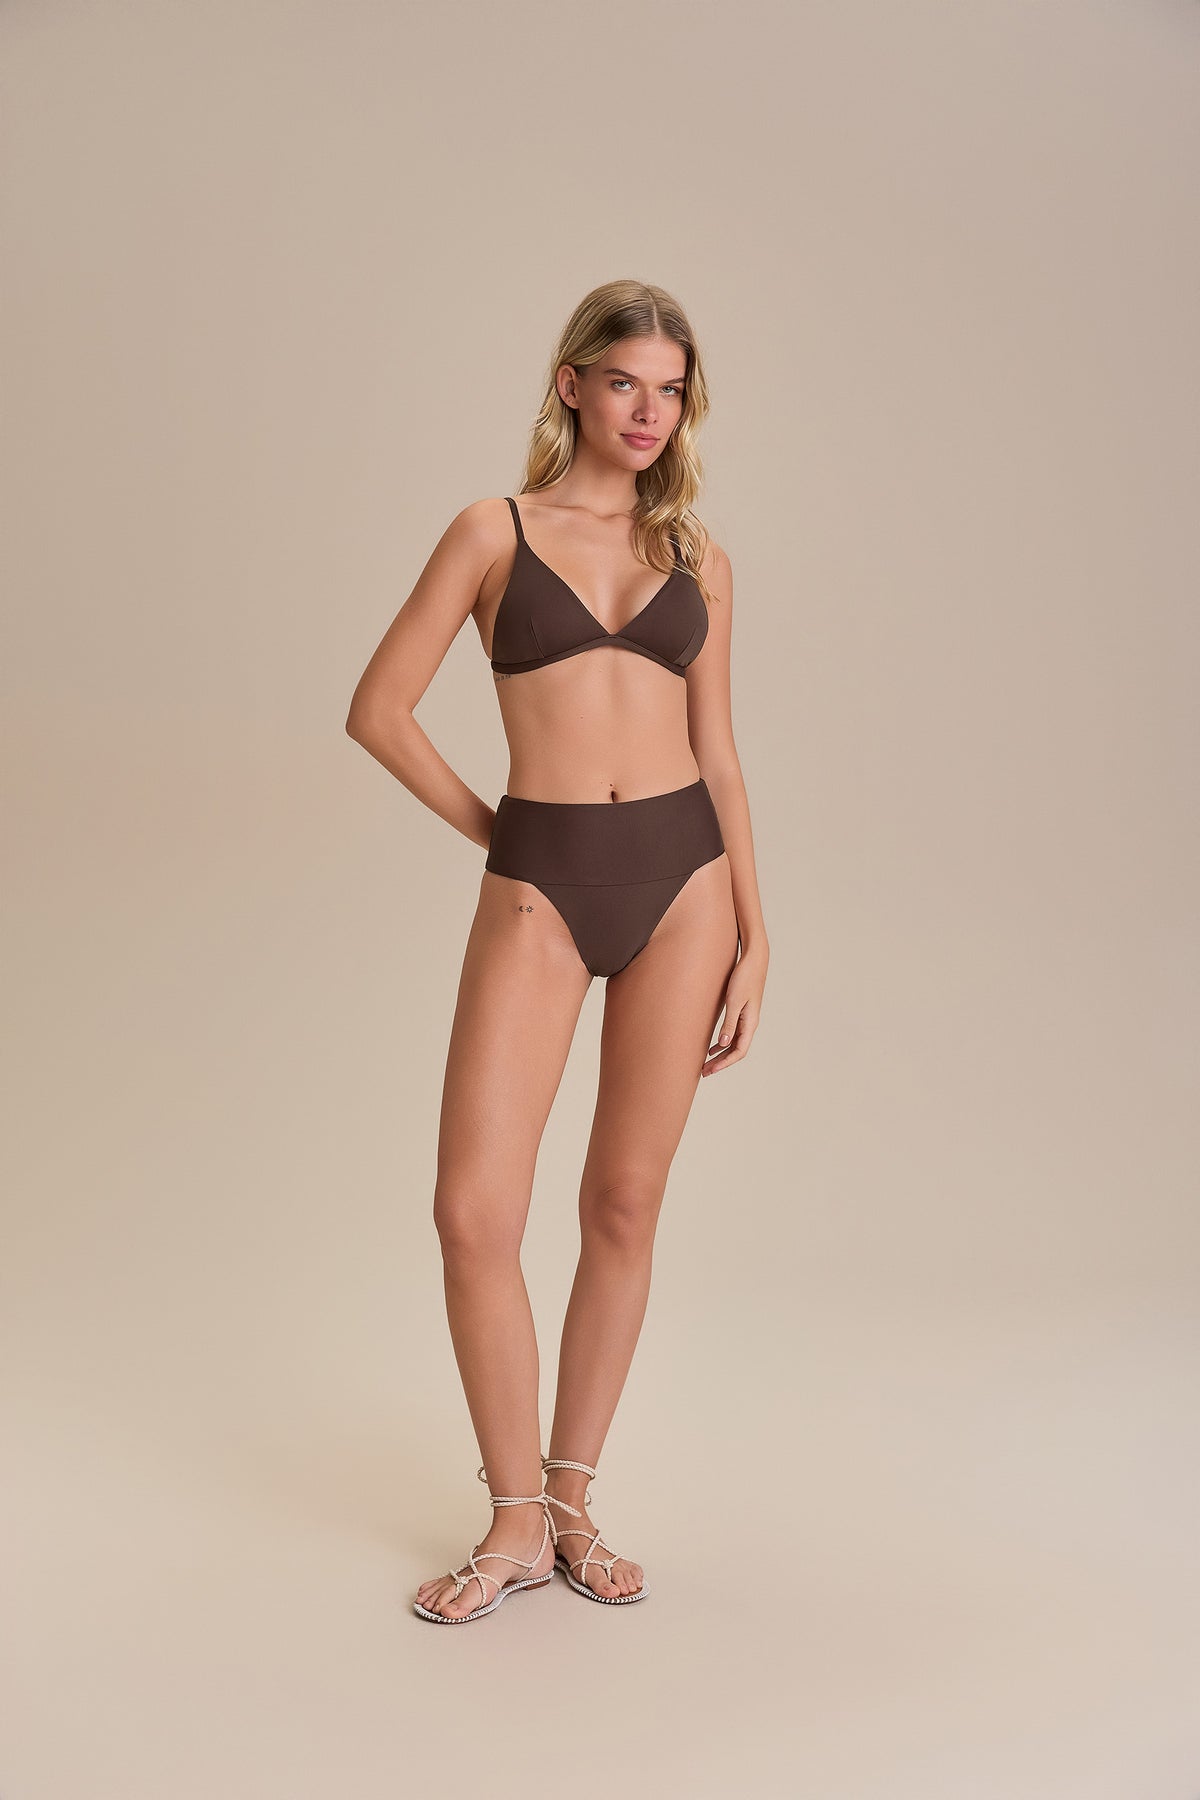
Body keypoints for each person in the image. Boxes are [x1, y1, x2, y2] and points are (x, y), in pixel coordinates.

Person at [345, 279, 769, 1623]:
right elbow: (379, 709)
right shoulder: (494, 531)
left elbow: (718, 753)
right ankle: (514, 1518)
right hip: (542, 888)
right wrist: (504, 833)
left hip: (686, 888)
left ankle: (573, 1501)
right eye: (625, 381)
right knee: (473, 1212)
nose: (649, 411)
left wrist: (758, 933)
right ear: (573, 383)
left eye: (671, 390)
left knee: (623, 1204)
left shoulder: (697, 558)